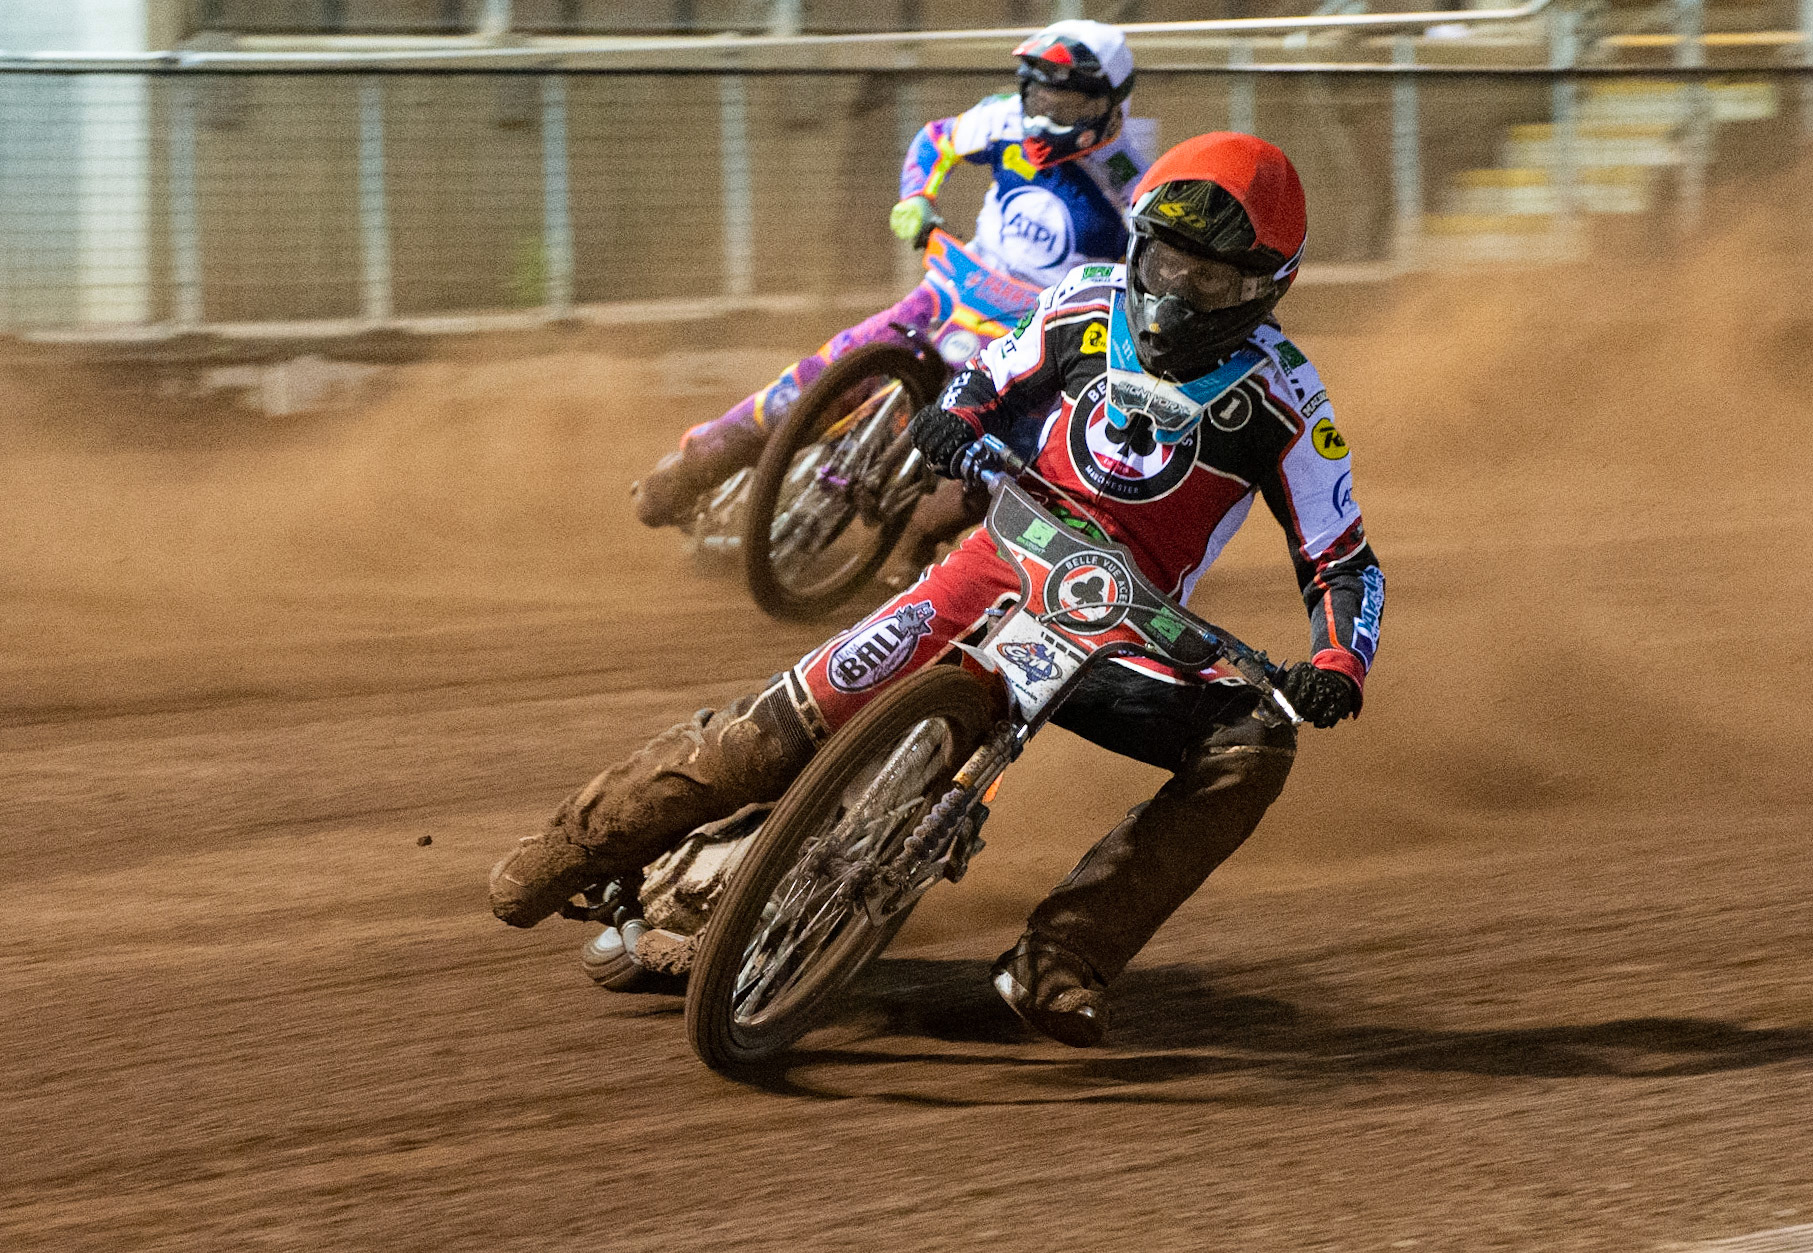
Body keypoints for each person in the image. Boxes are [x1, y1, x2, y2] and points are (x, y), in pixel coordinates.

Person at [495, 132, 1386, 1049]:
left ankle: (1060, 960)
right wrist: (952, 417)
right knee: (780, 727)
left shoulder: (1288, 399)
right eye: (1166, 264)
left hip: (1123, 628)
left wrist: (1336, 663)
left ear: (1265, 288)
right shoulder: (1083, 303)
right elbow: (986, 378)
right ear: (1138, 247)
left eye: (1211, 279)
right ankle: (581, 841)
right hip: (998, 559)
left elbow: (1344, 560)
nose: (1177, 295)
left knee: (1254, 743)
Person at [632, 18, 1156, 531]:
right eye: (1038, 98)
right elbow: (936, 140)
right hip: (955, 287)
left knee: (1014, 456)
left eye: (1065, 105)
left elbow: (1148, 274)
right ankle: (700, 463)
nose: (1044, 117)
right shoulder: (1003, 119)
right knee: (833, 365)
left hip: (1035, 330)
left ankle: (924, 547)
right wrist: (917, 199)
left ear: (1111, 105)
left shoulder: (1132, 183)